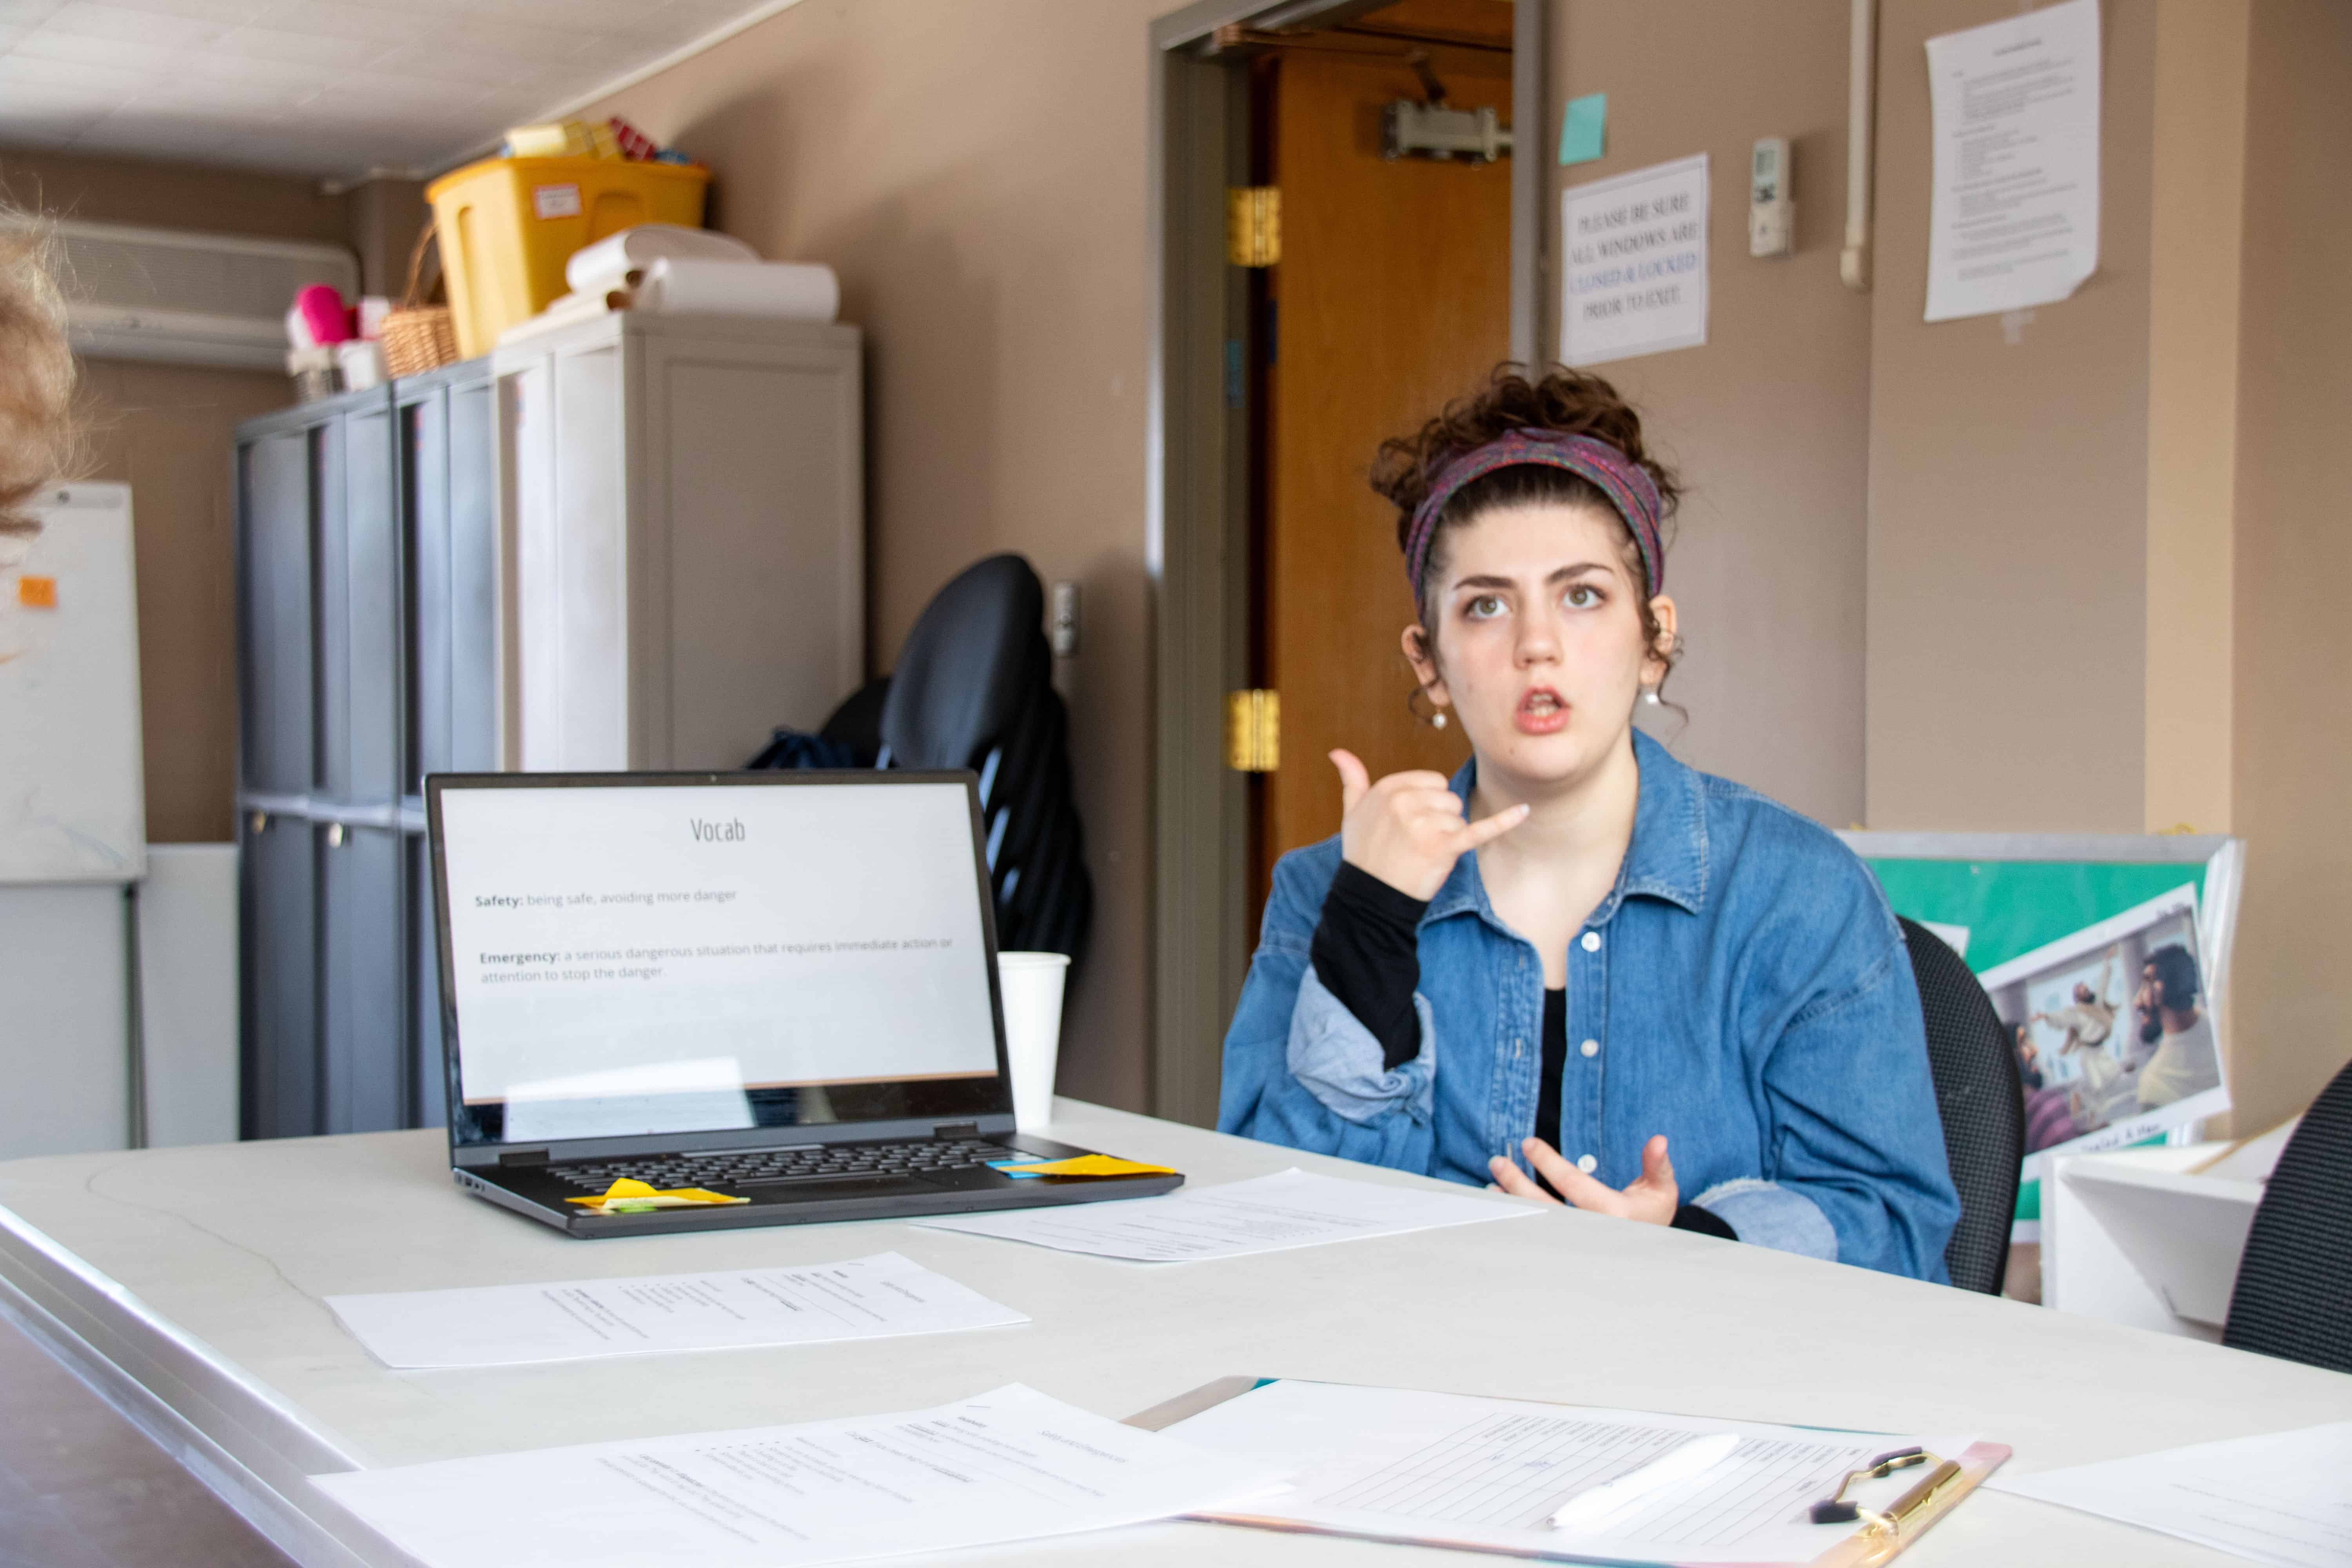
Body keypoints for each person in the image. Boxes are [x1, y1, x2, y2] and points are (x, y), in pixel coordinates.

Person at [1217, 367, 1961, 1281]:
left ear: (1655, 636)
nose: (1538, 643)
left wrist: (1684, 1244)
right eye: (1485, 605)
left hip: (1707, 1395)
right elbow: (1269, 1234)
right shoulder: (1326, 890)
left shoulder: (1795, 888)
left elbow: (1896, 1227)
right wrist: (1369, 924)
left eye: (1582, 596)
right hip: (1415, 1389)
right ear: (1430, 662)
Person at [2133, 944, 2221, 1109]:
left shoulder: (2154, 1082)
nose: (2137, 1002)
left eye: (2146, 985)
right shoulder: (2154, 1085)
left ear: (2161, 990)